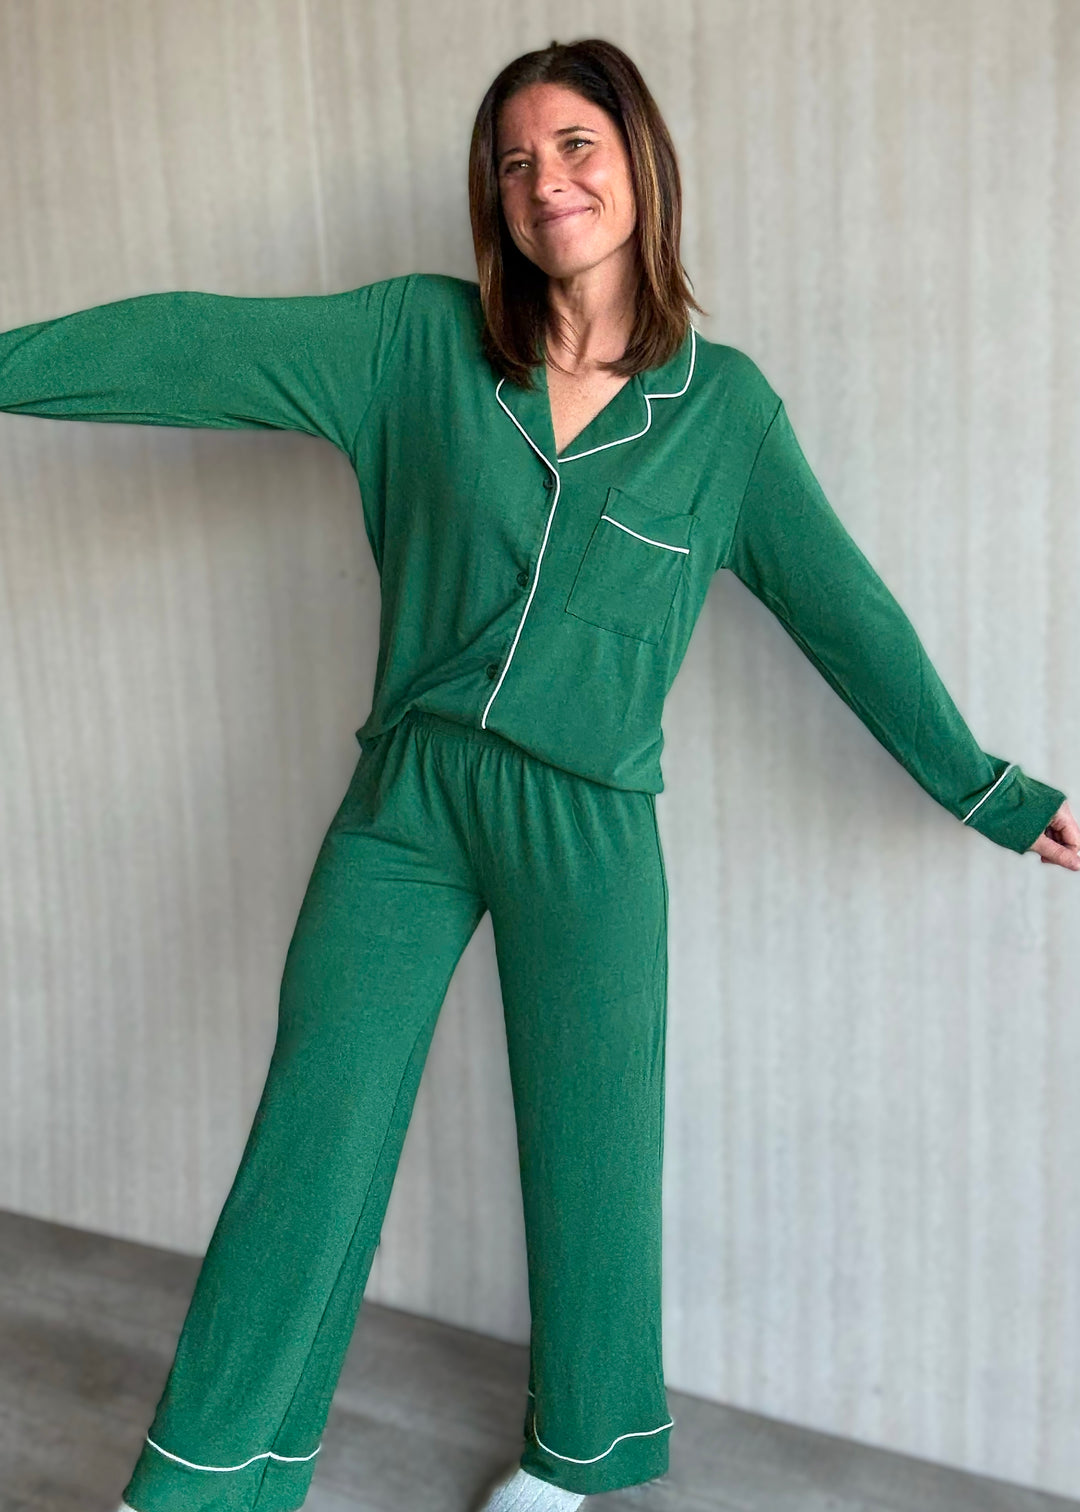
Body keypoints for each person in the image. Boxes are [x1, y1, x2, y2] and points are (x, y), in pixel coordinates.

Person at [1, 34, 1077, 1512]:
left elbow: (850, 618)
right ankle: (203, 1481)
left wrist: (996, 793)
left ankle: (577, 1464)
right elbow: (193, 340)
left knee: (594, 1151)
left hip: (590, 825)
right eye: (513, 161)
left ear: (639, 163)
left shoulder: (727, 414)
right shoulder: (412, 344)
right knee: (314, 1128)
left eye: (574, 145)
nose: (543, 181)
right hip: (411, 802)